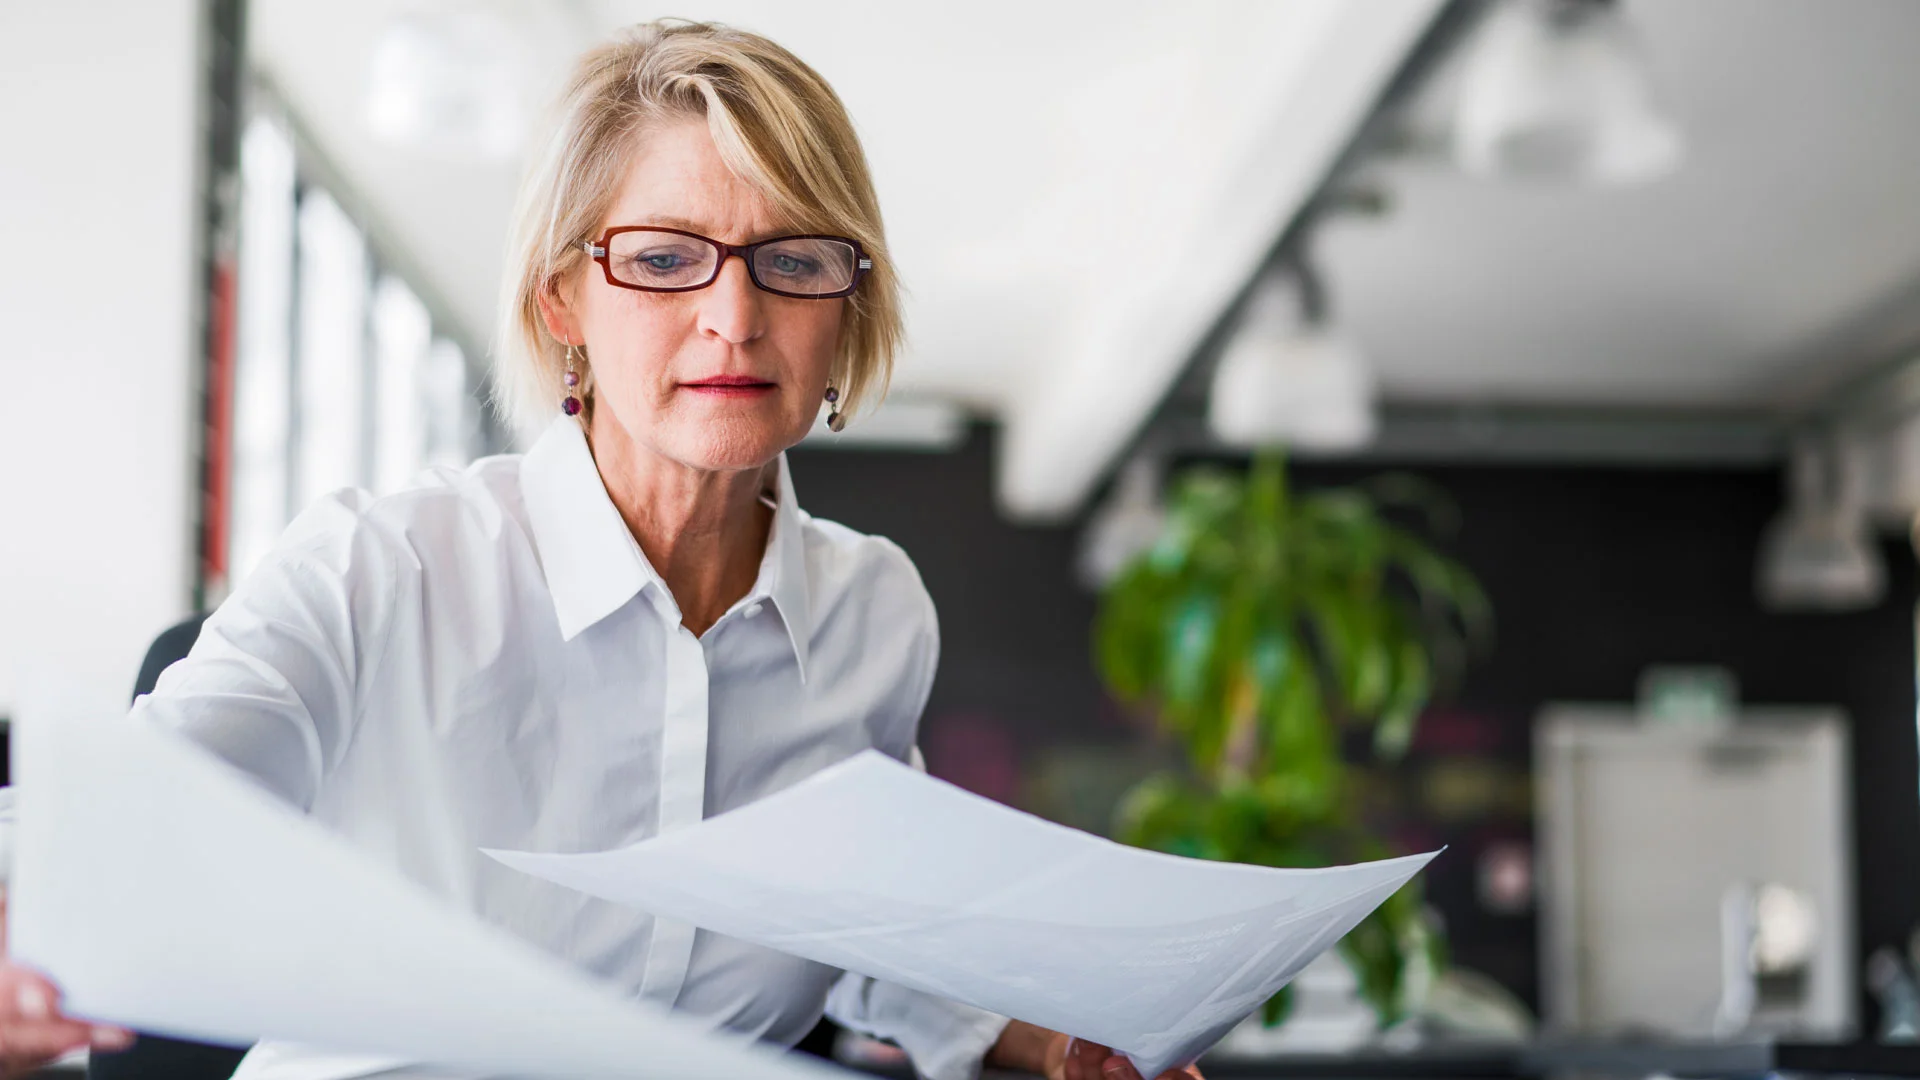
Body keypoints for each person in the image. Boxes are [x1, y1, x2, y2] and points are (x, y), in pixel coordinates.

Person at [0, 19, 1202, 1080]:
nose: (734, 316)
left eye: (793, 260)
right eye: (666, 258)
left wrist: (1044, 1041)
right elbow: (119, 816)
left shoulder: (873, 615)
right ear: (561, 304)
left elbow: (866, 924)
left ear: (847, 310)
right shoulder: (385, 570)